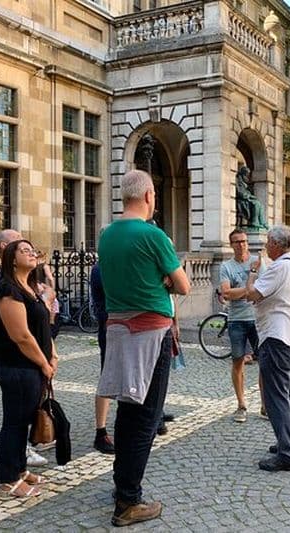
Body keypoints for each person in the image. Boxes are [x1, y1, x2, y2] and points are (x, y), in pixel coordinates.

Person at [97, 169, 191, 527]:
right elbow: (182, 286)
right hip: (151, 334)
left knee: (126, 411)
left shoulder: (106, 235)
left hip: (119, 329)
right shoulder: (153, 236)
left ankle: (121, 485)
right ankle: (128, 501)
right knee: (146, 417)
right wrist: (165, 278)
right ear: (150, 196)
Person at [0, 239, 58, 498]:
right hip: (16, 366)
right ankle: (8, 478)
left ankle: (20, 469)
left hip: (34, 366)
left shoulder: (30, 288)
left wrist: (53, 354)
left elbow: (42, 327)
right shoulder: (7, 290)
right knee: (15, 423)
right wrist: (43, 362)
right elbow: (21, 336)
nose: (31, 253)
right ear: (11, 258)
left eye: (32, 249)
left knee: (25, 420)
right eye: (24, 251)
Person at [246, 225, 290, 472]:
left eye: (268, 242)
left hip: (278, 337)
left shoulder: (279, 267)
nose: (265, 247)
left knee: (276, 396)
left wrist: (252, 272)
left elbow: (253, 294)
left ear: (275, 244)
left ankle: (287, 453)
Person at [219, 228, 266, 422]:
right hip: (236, 319)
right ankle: (241, 404)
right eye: (237, 242)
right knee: (237, 361)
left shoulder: (257, 263)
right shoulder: (226, 266)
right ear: (231, 245)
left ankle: (265, 405)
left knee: (264, 362)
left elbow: (262, 290)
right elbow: (226, 293)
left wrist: (241, 291)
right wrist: (248, 289)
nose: (242, 244)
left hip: (257, 319)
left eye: (244, 241)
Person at [89, 262, 115, 454]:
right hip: (110, 329)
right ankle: (101, 431)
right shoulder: (101, 269)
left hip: (122, 328)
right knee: (107, 379)